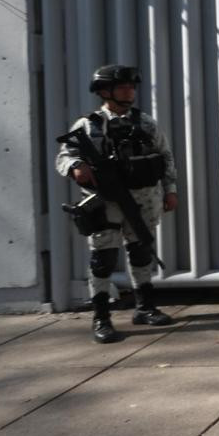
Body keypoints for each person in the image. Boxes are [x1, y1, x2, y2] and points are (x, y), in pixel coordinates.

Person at [55, 64, 178, 343]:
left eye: (131, 86)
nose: (129, 91)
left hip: (144, 199)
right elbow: (64, 155)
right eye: (123, 86)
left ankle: (145, 307)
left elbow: (165, 156)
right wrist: (75, 166)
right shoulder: (87, 125)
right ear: (104, 91)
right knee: (103, 258)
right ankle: (101, 317)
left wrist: (171, 190)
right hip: (105, 201)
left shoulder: (145, 122)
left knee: (141, 251)